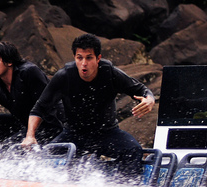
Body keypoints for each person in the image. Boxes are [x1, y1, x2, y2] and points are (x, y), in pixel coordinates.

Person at [23, 33, 155, 179]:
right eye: (79, 58)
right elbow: (39, 108)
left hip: (106, 133)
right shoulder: (64, 76)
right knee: (45, 156)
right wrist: (30, 135)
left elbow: (141, 89)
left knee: (133, 150)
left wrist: (149, 99)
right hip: (73, 134)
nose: (84, 63)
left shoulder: (110, 73)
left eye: (89, 58)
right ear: (74, 58)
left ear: (98, 58)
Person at [0, 41, 62, 144]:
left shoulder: (29, 72)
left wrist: (30, 135)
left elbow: (45, 107)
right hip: (24, 123)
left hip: (51, 123)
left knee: (9, 147)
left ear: (9, 62)